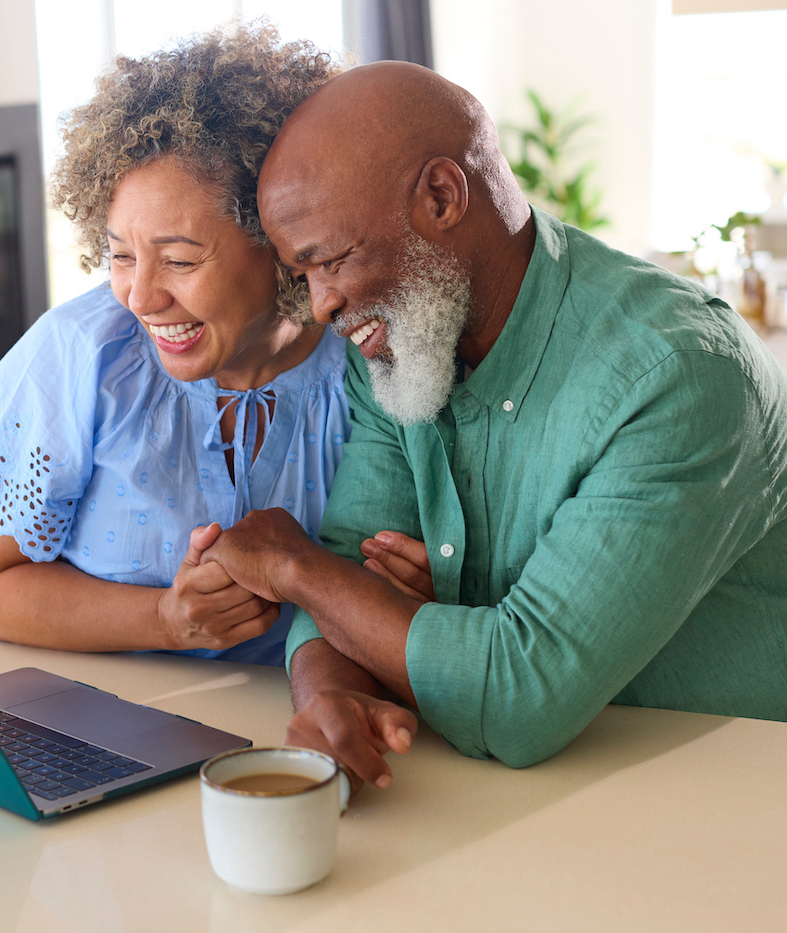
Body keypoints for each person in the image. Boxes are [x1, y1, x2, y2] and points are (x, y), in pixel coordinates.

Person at [199, 61, 787, 788]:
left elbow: (519, 693)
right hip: (504, 810)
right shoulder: (396, 344)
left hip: (721, 810)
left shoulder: (678, 373)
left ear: (443, 196)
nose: (321, 306)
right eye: (302, 273)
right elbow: (354, 564)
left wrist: (294, 566)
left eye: (333, 259)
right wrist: (332, 700)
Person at [0, 24, 344, 665]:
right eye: (120, 255)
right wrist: (163, 620)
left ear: (282, 243)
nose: (140, 298)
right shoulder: (77, 356)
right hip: (111, 730)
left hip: (305, 732)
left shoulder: (367, 364)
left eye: (178, 260)